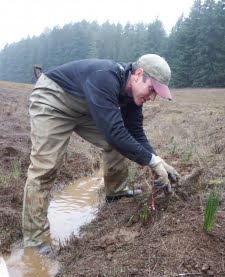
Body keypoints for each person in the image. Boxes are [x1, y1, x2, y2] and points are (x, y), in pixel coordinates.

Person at [23, 54, 180, 252]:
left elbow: (136, 133)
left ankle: (116, 192)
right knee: (45, 167)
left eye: (156, 93)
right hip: (53, 99)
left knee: (120, 143)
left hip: (86, 105)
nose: (152, 97)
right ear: (139, 74)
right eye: (151, 89)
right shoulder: (105, 77)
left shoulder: (133, 96)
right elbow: (114, 132)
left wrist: (158, 160)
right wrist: (152, 162)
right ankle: (34, 238)